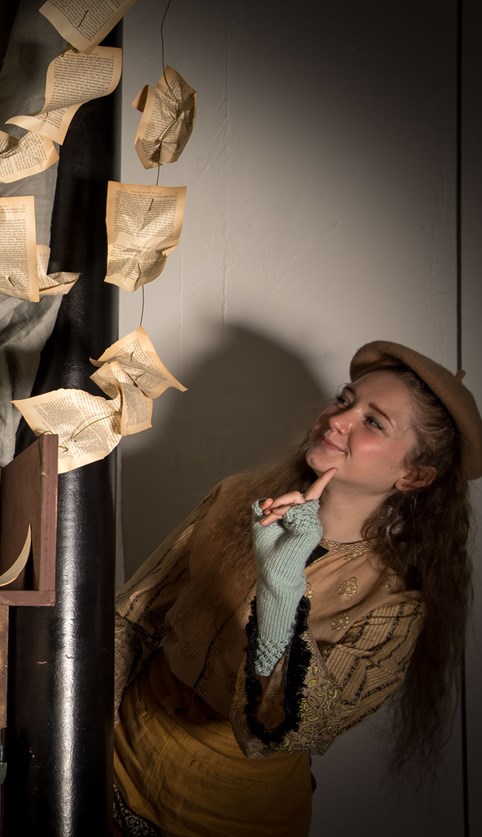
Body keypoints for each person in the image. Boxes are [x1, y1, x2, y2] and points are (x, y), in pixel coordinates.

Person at [111, 340, 480, 836]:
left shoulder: (395, 608)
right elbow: (134, 614)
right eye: (345, 400)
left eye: (374, 422)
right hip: (113, 758)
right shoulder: (239, 496)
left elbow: (296, 729)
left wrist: (282, 587)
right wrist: (75, 728)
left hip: (226, 814)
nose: (337, 420)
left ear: (414, 475)